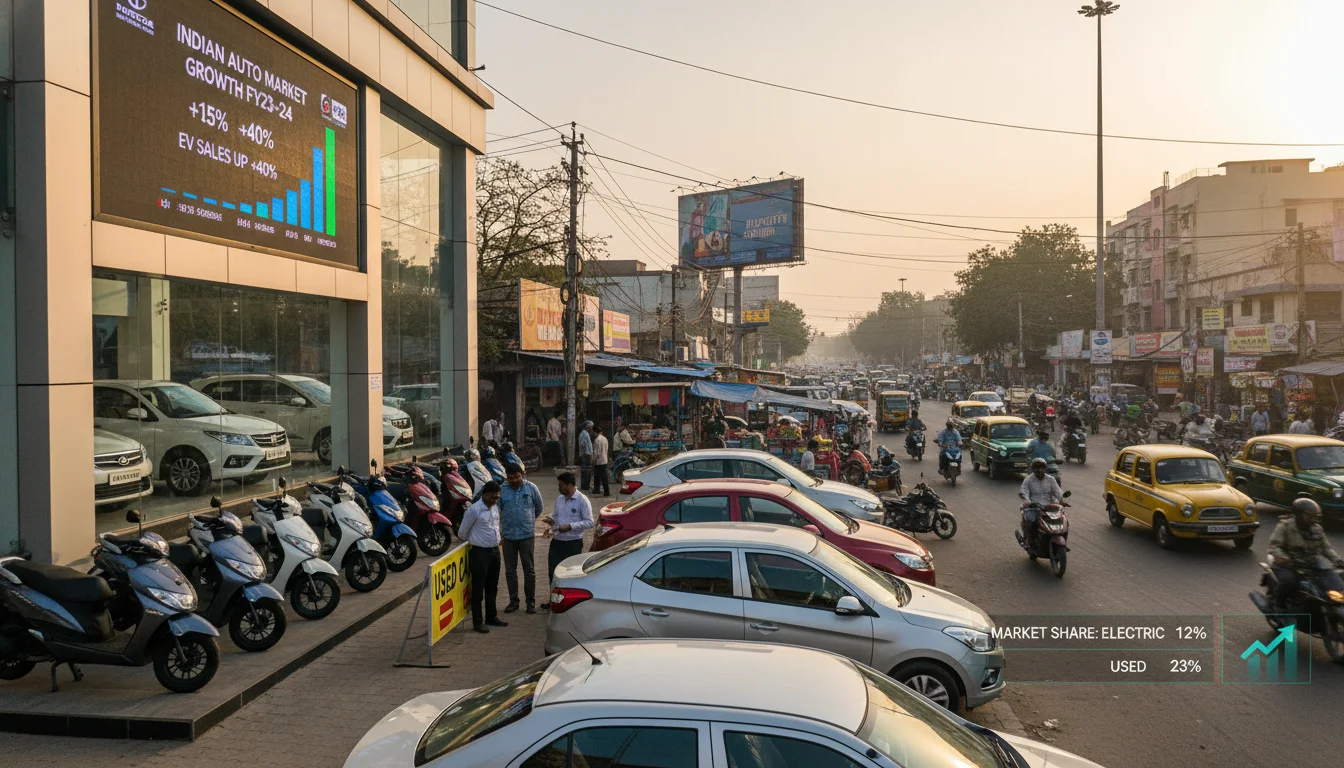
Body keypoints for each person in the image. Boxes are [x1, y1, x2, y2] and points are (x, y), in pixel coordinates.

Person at [1267, 498, 1344, 609]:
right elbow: (1274, 547)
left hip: (1312, 564)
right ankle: (1277, 605)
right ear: (1298, 514)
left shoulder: (1317, 529)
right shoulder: (1285, 527)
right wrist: (1286, 559)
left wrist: (1337, 560)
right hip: (1288, 565)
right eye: (1309, 516)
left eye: (1315, 517)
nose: (1313, 520)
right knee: (1289, 582)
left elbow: (1326, 548)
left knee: (1334, 581)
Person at [457, 480, 508, 634]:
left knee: (492, 587)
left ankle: (491, 617)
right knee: (478, 589)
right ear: (485, 495)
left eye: (497, 498)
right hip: (479, 553)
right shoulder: (474, 510)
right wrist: (476, 539)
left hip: (494, 552)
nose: (495, 500)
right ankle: (478, 622)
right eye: (493, 497)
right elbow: (462, 533)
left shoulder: (494, 507)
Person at [498, 463, 543, 614]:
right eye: (511, 478)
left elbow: (539, 508)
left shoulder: (531, 488)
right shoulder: (502, 490)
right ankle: (513, 601)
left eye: (517, 477)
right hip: (508, 537)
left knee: (529, 570)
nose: (514, 480)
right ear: (507, 478)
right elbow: (497, 510)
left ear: (522, 475)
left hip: (526, 536)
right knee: (510, 571)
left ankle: (530, 602)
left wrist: (528, 521)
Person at [543, 472, 594, 592]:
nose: (559, 487)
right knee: (553, 572)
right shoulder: (560, 499)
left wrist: (570, 526)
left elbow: (590, 522)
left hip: (573, 543)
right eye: (559, 484)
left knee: (570, 574)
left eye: (561, 485)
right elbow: (556, 516)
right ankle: (553, 599)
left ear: (570, 485)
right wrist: (551, 525)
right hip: (557, 541)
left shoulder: (582, 500)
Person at [1019, 457, 1064, 540]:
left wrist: (1062, 500)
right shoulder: (1028, 480)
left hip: (1049, 507)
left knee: (1062, 521)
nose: (1039, 470)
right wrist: (1028, 501)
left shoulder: (1051, 479)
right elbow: (1024, 491)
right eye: (1036, 468)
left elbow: (1058, 492)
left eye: (1041, 468)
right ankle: (1030, 539)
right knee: (1031, 521)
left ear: (1045, 468)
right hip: (1033, 507)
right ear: (1033, 469)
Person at [591, 425, 610, 497]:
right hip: (604, 459)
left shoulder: (597, 440)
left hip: (598, 461)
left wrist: (593, 460)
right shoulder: (605, 439)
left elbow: (596, 452)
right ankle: (604, 491)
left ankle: (598, 490)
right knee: (603, 476)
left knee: (598, 476)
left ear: (595, 432)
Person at [578, 420, 593, 491]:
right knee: (586, 471)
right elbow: (582, 444)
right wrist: (586, 452)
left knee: (585, 471)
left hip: (585, 454)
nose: (591, 429)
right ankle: (585, 486)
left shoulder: (583, 433)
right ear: (588, 426)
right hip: (586, 454)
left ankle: (584, 486)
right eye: (591, 427)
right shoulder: (585, 434)